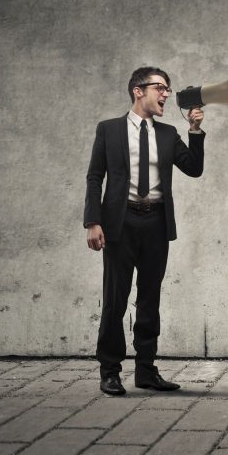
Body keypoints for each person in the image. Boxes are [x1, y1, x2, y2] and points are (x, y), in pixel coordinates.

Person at [84, 67, 205, 396]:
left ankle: (146, 371)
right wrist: (93, 222)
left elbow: (193, 169)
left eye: (168, 89)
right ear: (138, 90)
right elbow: (95, 177)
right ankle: (110, 371)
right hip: (119, 224)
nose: (166, 94)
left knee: (149, 299)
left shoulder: (167, 135)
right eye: (161, 88)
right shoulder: (108, 130)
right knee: (115, 301)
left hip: (156, 224)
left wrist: (195, 131)